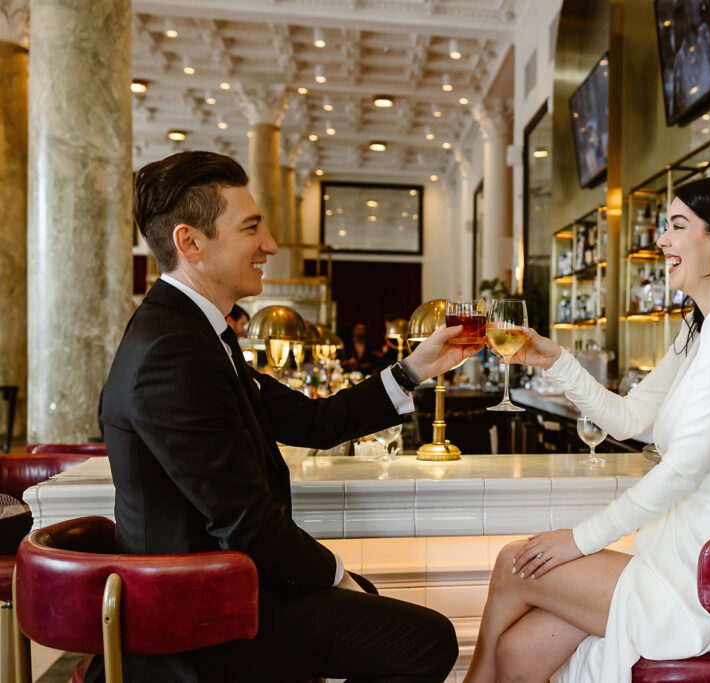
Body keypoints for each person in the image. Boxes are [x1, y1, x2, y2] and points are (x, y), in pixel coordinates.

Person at [97, 151, 481, 683]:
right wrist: (336, 575)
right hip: (193, 625)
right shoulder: (173, 350)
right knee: (426, 641)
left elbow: (313, 422)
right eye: (252, 227)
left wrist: (415, 369)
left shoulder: (194, 332)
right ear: (190, 243)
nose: (271, 245)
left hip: (226, 594)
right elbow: (244, 522)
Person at [465, 178, 710, 683]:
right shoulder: (700, 329)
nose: (662, 240)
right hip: (679, 566)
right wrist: (555, 361)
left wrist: (580, 540)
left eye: (677, 226)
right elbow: (629, 419)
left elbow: (682, 472)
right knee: (520, 650)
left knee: (513, 563)